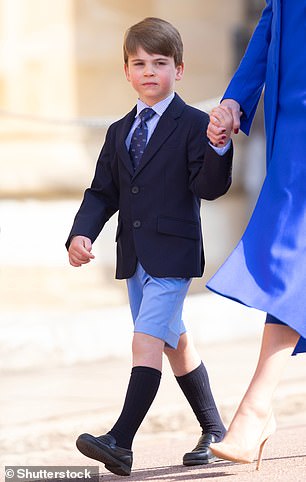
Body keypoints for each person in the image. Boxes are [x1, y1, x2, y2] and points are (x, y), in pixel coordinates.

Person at [66, 17, 233, 477]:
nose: (149, 72)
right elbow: (103, 192)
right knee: (174, 342)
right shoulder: (119, 132)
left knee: (145, 341)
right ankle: (214, 429)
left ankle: (121, 441)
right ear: (126, 71)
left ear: (179, 69)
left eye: (160, 63)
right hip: (134, 257)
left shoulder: (194, 125)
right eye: (139, 63)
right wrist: (82, 233)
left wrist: (218, 147)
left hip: (173, 256)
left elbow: (210, 187)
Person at [206, 0, 306, 471]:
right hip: (291, 120)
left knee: (289, 245)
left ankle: (255, 409)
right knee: (290, 245)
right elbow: (275, 16)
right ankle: (256, 412)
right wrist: (235, 100)